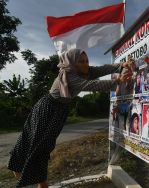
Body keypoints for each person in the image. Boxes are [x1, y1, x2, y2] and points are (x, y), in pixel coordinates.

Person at [7, 48, 134, 188]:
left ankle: (30, 177)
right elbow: (90, 85)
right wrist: (118, 81)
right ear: (72, 62)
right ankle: (33, 178)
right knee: (38, 143)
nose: (85, 64)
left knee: (42, 144)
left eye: (86, 61)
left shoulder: (84, 71)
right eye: (81, 61)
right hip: (48, 109)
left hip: (59, 110)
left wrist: (121, 65)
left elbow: (101, 69)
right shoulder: (69, 75)